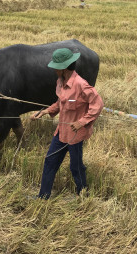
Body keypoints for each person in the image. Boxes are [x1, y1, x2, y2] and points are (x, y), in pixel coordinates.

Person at [31, 48, 104, 199]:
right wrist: (45, 111)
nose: (54, 70)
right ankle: (43, 196)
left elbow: (98, 104)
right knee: (50, 161)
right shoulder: (61, 82)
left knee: (75, 166)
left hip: (75, 134)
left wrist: (82, 122)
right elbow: (61, 103)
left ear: (63, 68)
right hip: (61, 131)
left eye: (56, 68)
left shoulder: (80, 84)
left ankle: (83, 195)